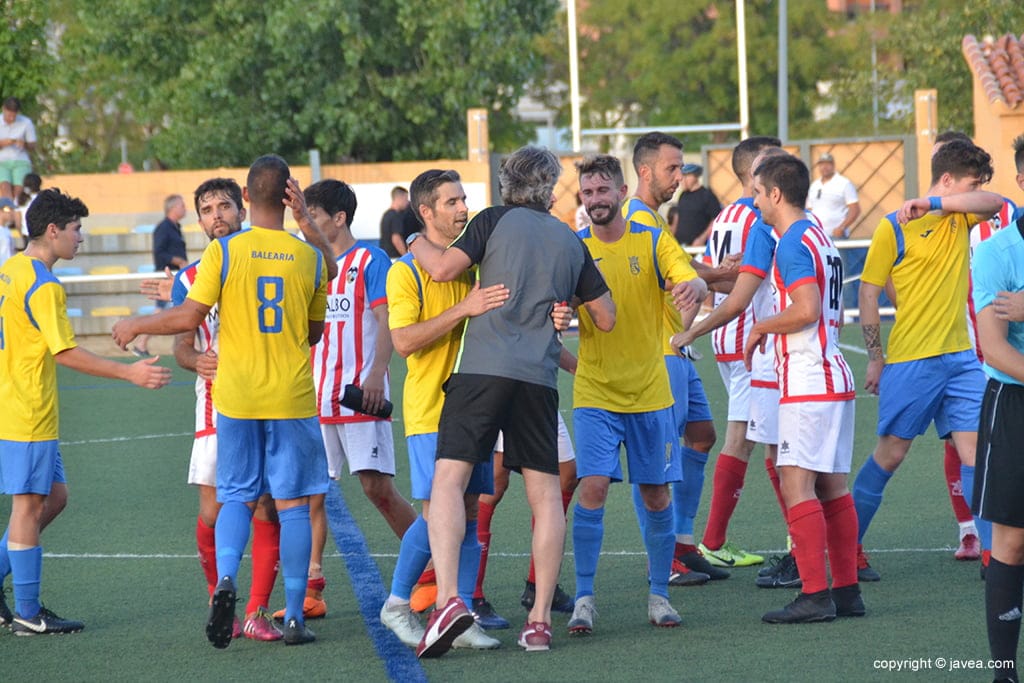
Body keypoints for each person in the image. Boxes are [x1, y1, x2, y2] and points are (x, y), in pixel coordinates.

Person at [112, 154, 339, 648]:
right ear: (288, 196)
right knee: (293, 507)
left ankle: (227, 580)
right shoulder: (309, 258)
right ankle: (293, 615)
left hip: (236, 396)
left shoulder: (225, 253)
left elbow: (188, 315)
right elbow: (314, 333)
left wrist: (136, 323)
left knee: (236, 496)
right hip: (291, 396)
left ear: (246, 198)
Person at [407, 146, 615, 657]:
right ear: (550, 186)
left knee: (449, 481)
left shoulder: (492, 220)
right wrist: (564, 306)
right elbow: (606, 317)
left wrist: (413, 239)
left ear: (508, 183)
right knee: (545, 497)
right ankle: (539, 621)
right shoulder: (570, 239)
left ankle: (450, 599)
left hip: (482, 370)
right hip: (538, 379)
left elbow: (442, 269)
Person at [0, 188, 171, 635]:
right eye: (76, 229)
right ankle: (27, 614)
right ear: (52, 230)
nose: (81, 237)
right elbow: (66, 352)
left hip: (16, 405)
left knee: (54, 497)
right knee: (28, 506)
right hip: (26, 411)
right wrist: (129, 373)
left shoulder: (11, 269)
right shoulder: (43, 284)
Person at [568, 154, 706, 636]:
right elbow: (554, 303)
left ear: (622, 192)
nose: (595, 200)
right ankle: (584, 598)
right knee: (593, 487)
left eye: (603, 191)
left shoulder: (650, 239)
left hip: (650, 391)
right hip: (596, 392)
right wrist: (556, 314)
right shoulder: (574, 247)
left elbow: (688, 275)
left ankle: (659, 595)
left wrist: (694, 286)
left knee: (655, 494)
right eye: (588, 192)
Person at [853, 139, 1003, 581]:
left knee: (977, 455)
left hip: (961, 361)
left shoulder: (959, 215)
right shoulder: (892, 226)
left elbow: (995, 202)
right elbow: (868, 292)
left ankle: (994, 557)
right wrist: (876, 358)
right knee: (890, 455)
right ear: (948, 178)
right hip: (912, 360)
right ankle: (846, 549)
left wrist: (935, 202)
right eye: (971, 183)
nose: (976, 191)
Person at [379, 168, 510, 651]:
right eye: (452, 202)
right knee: (438, 511)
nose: (463, 208)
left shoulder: (470, 264)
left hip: (476, 409)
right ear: (425, 212)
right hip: (432, 409)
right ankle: (397, 603)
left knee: (470, 510)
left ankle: (461, 615)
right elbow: (403, 342)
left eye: (464, 199)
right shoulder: (405, 271)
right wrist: (462, 309)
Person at [281, 178, 419, 622]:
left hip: (360, 396)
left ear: (339, 218)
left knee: (377, 489)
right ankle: (311, 590)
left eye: (313, 217)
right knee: (311, 494)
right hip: (314, 398)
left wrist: (377, 373)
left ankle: (431, 569)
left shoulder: (370, 260)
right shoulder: (309, 263)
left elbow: (384, 319)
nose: (306, 225)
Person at [740, 154, 862, 623]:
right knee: (833, 487)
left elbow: (807, 309)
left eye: (757, 193)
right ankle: (846, 592)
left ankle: (814, 595)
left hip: (809, 379)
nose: (755, 201)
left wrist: (760, 326)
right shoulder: (819, 235)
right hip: (833, 376)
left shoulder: (791, 241)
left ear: (775, 194)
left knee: (796, 483)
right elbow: (832, 310)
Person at [675, 139, 794, 580]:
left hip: (730, 336)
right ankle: (721, 540)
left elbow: (708, 276)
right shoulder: (759, 216)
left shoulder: (726, 214)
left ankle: (720, 539)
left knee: (753, 437)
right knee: (753, 438)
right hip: (750, 338)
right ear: (756, 169)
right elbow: (737, 281)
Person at [172, 178, 283, 642]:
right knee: (214, 510)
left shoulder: (272, 258)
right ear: (199, 220)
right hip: (218, 404)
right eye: (206, 209)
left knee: (268, 505)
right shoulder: (188, 279)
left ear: (242, 209)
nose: (216, 215)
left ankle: (257, 611)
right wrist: (196, 359)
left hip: (272, 396)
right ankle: (218, 598)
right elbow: (181, 345)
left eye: (223, 206)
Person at [624, 131, 736, 582]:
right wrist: (728, 275)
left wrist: (723, 275)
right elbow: (679, 276)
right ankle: (665, 557)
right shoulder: (638, 218)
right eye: (671, 168)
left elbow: (684, 270)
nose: (679, 175)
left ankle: (684, 543)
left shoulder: (652, 218)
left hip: (676, 345)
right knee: (658, 457)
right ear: (645, 171)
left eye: (680, 167)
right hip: (658, 351)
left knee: (702, 435)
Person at [971, 156, 1024, 683]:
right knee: (1011, 540)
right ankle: (1004, 673)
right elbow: (995, 348)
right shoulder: (995, 252)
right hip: (1015, 404)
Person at [133, 194, 189, 357]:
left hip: (175, 275)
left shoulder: (175, 227)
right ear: (173, 208)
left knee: (174, 310)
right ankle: (141, 342)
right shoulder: (163, 228)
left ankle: (143, 343)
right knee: (161, 311)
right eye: (182, 205)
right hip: (165, 275)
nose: (185, 209)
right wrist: (178, 260)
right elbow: (159, 253)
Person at [807, 152, 861, 310]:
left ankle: (848, 309)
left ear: (833, 165)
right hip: (818, 237)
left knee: (841, 272)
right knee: (820, 271)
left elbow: (855, 208)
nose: (824, 167)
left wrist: (842, 227)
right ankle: (825, 308)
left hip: (836, 237)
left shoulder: (843, 183)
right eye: (821, 164)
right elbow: (809, 209)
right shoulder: (814, 186)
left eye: (827, 163)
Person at [674, 163, 721, 246]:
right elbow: (678, 218)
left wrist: (702, 238)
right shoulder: (682, 195)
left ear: (695, 176)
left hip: (698, 246)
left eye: (686, 176)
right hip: (680, 244)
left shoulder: (707, 195)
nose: (682, 180)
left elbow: (716, 219)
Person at [0, 97, 37, 203]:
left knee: (19, 190)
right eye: (9, 115)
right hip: (2, 160)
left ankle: (16, 207)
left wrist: (24, 144)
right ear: (4, 109)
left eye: (14, 115)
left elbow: (33, 145)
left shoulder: (26, 122)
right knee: (4, 187)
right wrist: (3, 143)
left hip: (20, 159)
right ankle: (8, 207)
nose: (11, 118)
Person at [379, 186, 410, 258]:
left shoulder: (386, 214)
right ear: (399, 199)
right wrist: (406, 256)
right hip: (395, 257)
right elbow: (396, 239)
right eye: (405, 199)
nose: (407, 202)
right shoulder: (396, 216)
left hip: (386, 256)